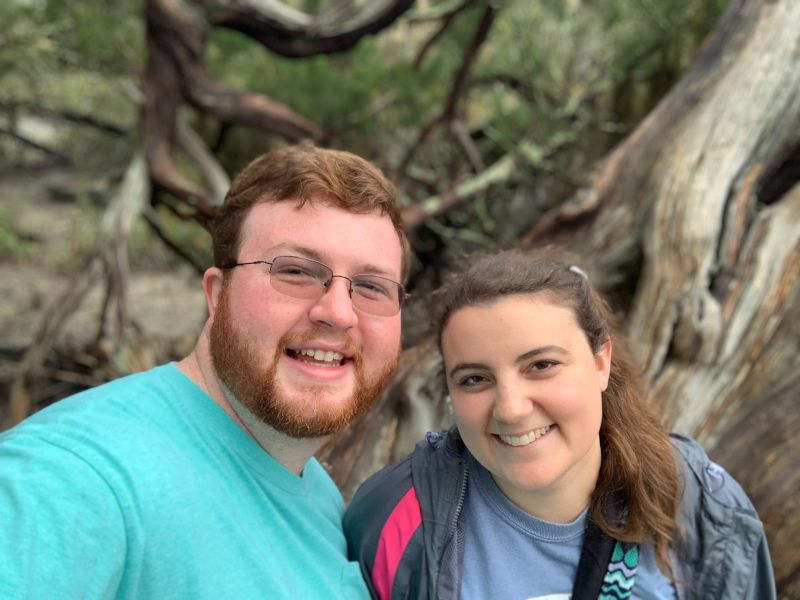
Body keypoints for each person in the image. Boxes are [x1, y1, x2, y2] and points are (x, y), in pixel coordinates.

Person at [0, 144, 410, 599]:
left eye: (372, 286)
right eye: (295, 271)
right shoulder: (72, 479)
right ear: (217, 295)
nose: (338, 312)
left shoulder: (317, 494)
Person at [344, 248, 776, 600]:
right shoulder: (392, 520)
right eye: (475, 379)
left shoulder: (701, 503)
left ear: (601, 362)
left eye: (541, 365)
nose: (510, 408)